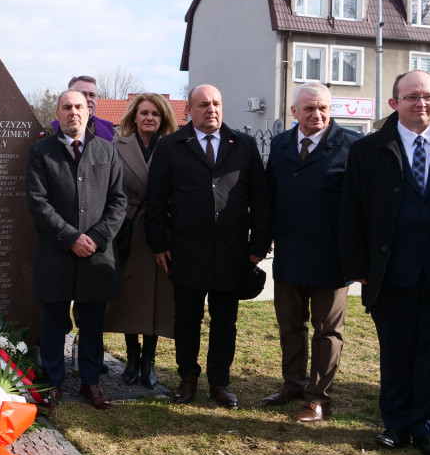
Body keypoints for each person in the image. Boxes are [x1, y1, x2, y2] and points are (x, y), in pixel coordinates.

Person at [340, 70, 430, 455]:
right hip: (392, 271)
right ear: (394, 103)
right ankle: (396, 424)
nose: (421, 103)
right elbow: (351, 212)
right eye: (412, 97)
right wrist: (358, 265)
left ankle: (428, 429)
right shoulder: (368, 150)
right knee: (397, 350)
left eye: (428, 97)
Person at [145, 84, 271, 408]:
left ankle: (220, 382)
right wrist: (158, 243)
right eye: (203, 104)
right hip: (186, 252)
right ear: (190, 110)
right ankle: (187, 378)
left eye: (216, 103)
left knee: (225, 319)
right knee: (187, 319)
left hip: (232, 253)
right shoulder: (171, 146)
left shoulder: (243, 144)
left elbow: (261, 198)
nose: (211, 109)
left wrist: (258, 244)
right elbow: (155, 200)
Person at [264, 83, 360, 423]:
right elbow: (270, 198)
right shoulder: (280, 144)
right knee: (290, 324)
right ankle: (293, 384)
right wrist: (261, 243)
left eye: (322, 108)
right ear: (294, 113)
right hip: (289, 252)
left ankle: (318, 397)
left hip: (332, 258)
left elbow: (363, 205)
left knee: (327, 330)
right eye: (309, 109)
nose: (317, 115)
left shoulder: (352, 145)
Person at [26, 89, 127, 411]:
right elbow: (37, 202)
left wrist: (96, 237)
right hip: (57, 254)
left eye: (79, 107)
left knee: (93, 324)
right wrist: (70, 237)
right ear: (57, 114)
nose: (74, 113)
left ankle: (90, 383)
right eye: (67, 107)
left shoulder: (107, 152)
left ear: (88, 112)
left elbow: (118, 201)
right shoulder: (41, 152)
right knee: (54, 323)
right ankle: (54, 383)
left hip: (96, 256)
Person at [105, 93, 178, 387]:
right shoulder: (116, 146)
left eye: (156, 114)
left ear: (163, 120)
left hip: (162, 232)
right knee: (130, 297)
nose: (150, 118)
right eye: (144, 112)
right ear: (134, 116)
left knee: (157, 298)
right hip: (128, 230)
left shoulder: (173, 147)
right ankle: (131, 358)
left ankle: (149, 361)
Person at [50, 75, 115, 141]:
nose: (88, 99)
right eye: (82, 94)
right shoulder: (51, 130)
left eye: (92, 95)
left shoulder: (111, 131)